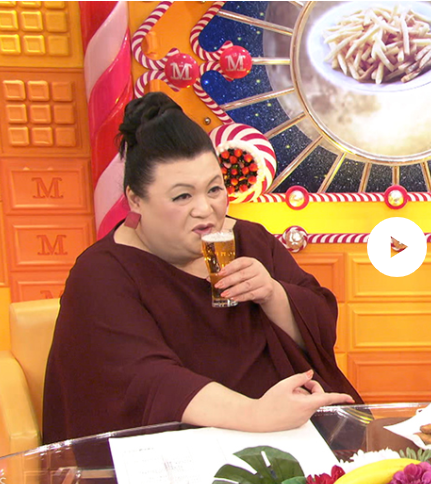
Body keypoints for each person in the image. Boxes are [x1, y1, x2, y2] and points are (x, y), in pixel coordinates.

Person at [43, 92, 362, 444]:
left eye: (214, 189)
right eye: (182, 196)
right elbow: (146, 379)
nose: (205, 210)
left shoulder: (250, 240)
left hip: (293, 428)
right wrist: (256, 415)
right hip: (181, 445)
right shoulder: (102, 273)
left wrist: (273, 293)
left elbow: (319, 324)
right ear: (135, 200)